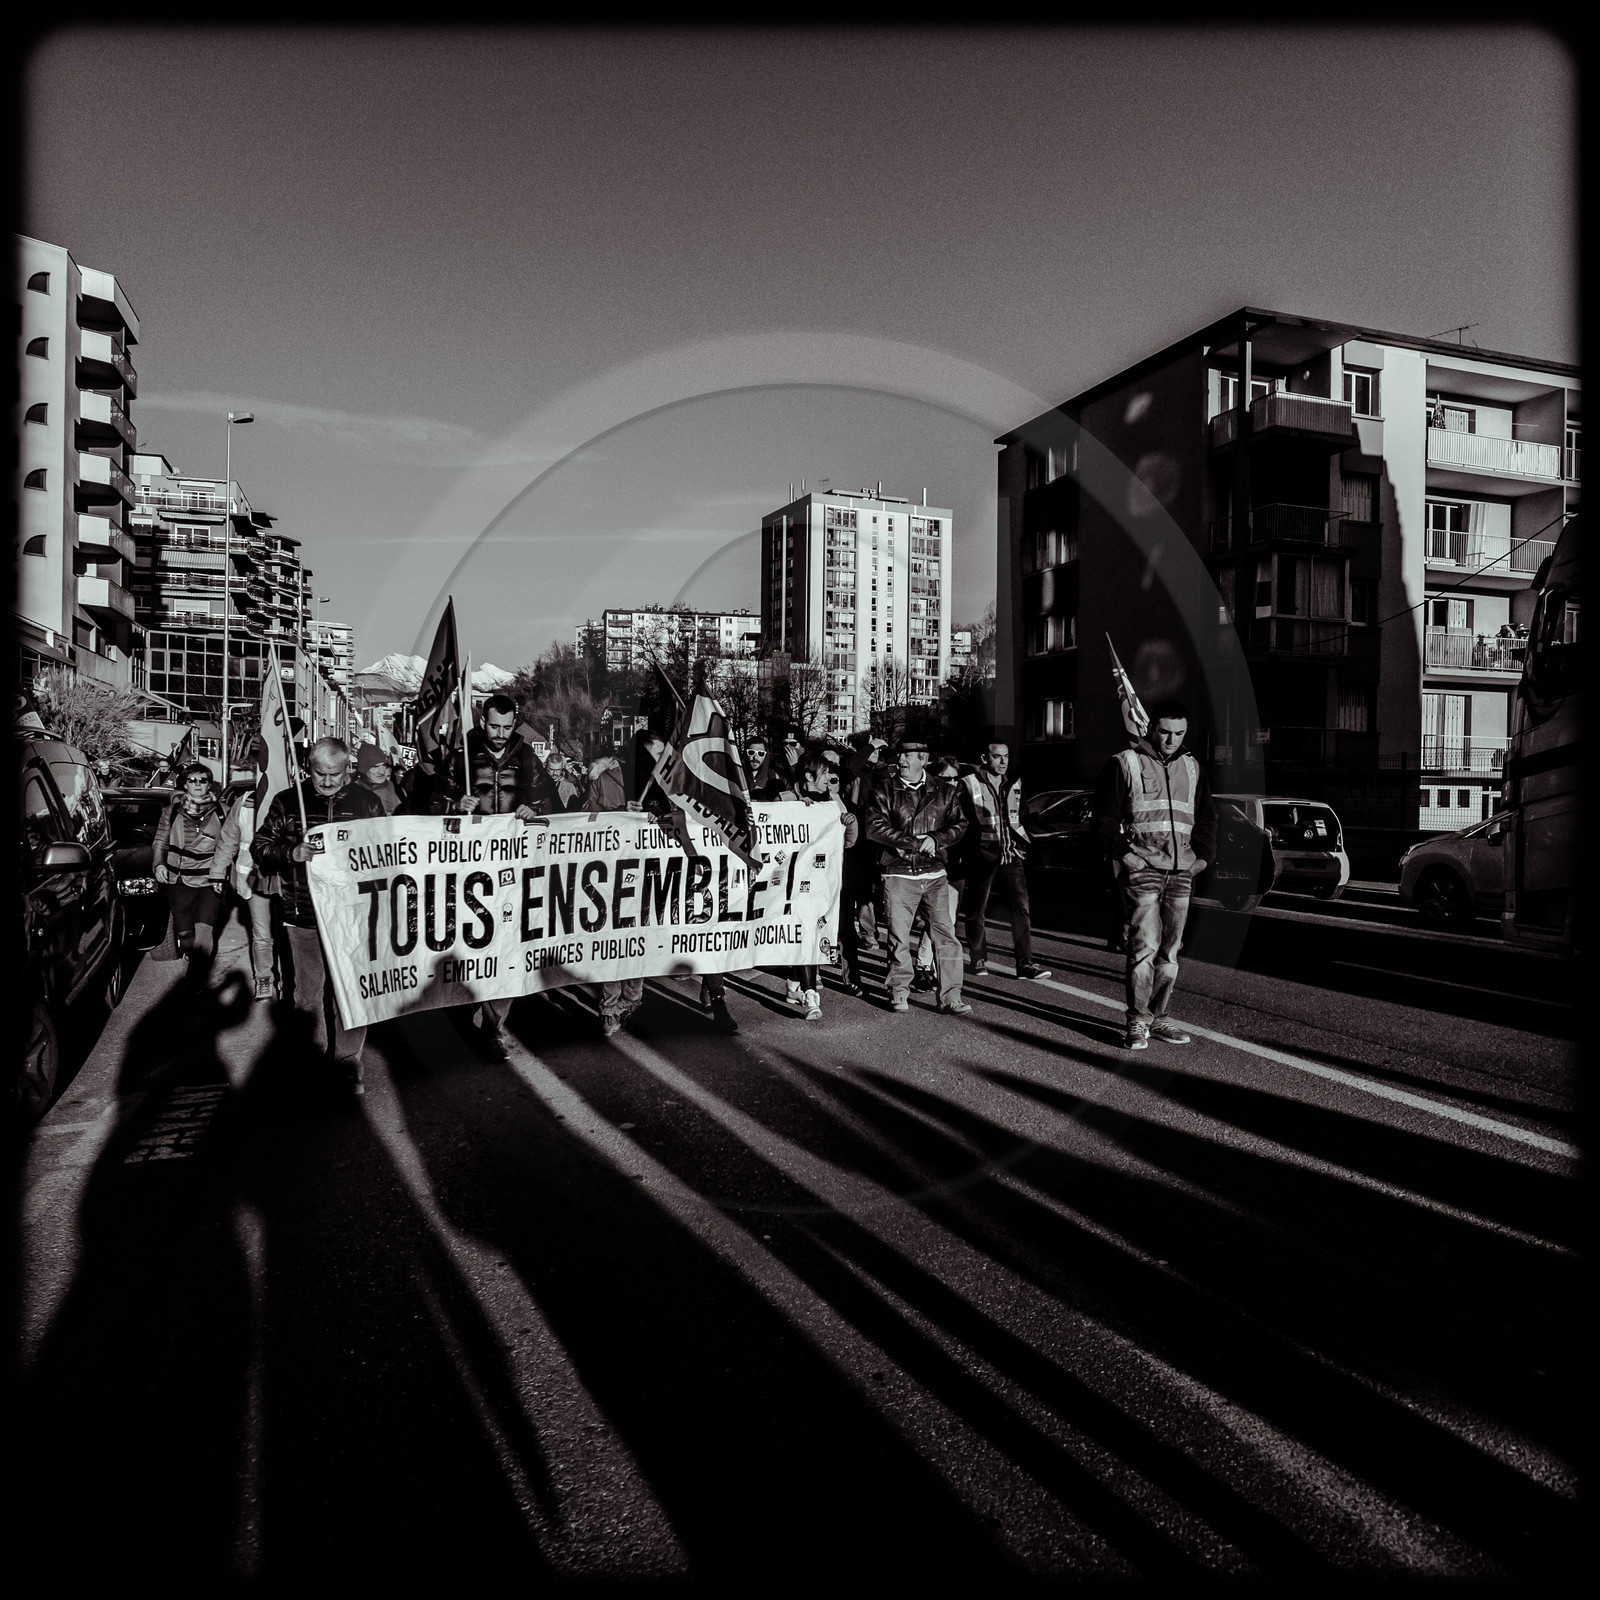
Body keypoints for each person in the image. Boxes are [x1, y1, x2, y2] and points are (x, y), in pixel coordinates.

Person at [252, 737, 385, 1094]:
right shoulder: (287, 801)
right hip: (304, 913)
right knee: (307, 994)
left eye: (334, 774)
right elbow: (260, 848)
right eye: (318, 773)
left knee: (350, 993)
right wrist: (290, 852)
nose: (325, 781)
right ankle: (311, 1055)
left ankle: (347, 1062)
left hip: (352, 916)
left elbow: (387, 856)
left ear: (347, 770)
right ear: (308, 767)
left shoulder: (367, 803)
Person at [432, 695, 557, 1058]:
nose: (500, 734)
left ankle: (493, 1025)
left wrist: (534, 807)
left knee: (507, 947)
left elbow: (551, 801)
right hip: (468, 868)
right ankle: (466, 1004)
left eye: (507, 727)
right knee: (471, 942)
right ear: (482, 721)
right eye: (494, 726)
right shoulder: (461, 756)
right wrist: (455, 804)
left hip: (512, 867)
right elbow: (430, 802)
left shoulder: (528, 758)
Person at [1094, 698, 1217, 1051]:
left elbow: (1208, 818)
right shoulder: (1125, 763)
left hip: (1182, 872)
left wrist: (1203, 860)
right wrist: (1126, 856)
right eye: (1165, 732)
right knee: (1144, 947)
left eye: (1179, 733)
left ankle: (1159, 1018)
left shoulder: (1192, 768)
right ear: (1151, 728)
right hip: (1143, 868)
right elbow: (1103, 819)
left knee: (1171, 951)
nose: (1171, 740)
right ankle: (1137, 1021)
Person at [864, 738, 970, 1015]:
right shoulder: (884, 789)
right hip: (897, 874)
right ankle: (899, 993)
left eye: (907, 756)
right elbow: (874, 827)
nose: (900, 761)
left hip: (934, 873)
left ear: (923, 759)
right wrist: (912, 842)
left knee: (946, 937)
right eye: (899, 756)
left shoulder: (945, 791)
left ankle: (951, 997)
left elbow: (960, 824)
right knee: (899, 938)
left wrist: (937, 839)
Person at [958, 740, 1050, 982]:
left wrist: (1025, 847)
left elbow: (1022, 819)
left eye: (1006, 756)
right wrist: (971, 853)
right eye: (997, 757)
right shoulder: (968, 783)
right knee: (977, 910)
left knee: (1022, 910)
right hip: (983, 855)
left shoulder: (1015, 783)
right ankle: (978, 959)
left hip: (1011, 856)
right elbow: (963, 823)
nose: (1003, 761)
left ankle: (1025, 965)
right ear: (985, 758)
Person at [782, 753, 859, 1020]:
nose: (830, 778)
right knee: (806, 933)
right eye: (824, 773)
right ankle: (810, 994)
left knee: (812, 933)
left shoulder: (833, 802)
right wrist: (792, 807)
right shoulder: (786, 798)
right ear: (808, 776)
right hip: (792, 885)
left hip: (822, 883)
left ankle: (795, 982)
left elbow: (847, 842)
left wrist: (850, 824)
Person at [211, 745, 279, 1001]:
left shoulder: (292, 800)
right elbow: (228, 839)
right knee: (262, 934)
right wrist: (218, 873)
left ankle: (290, 977)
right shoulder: (244, 802)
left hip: (285, 878)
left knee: (286, 932)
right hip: (253, 876)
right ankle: (264, 977)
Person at [152, 763, 227, 961]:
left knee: (204, 932)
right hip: (179, 880)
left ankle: (196, 979)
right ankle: (191, 954)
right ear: (185, 784)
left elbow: (231, 844)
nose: (197, 784)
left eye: (203, 780)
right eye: (192, 780)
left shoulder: (222, 812)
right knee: (184, 933)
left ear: (209, 784)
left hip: (210, 880)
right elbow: (160, 841)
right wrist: (159, 863)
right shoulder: (172, 811)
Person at [354, 742, 405, 815]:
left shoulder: (398, 791)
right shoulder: (349, 793)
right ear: (363, 769)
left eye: (384, 765)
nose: (382, 771)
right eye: (375, 766)